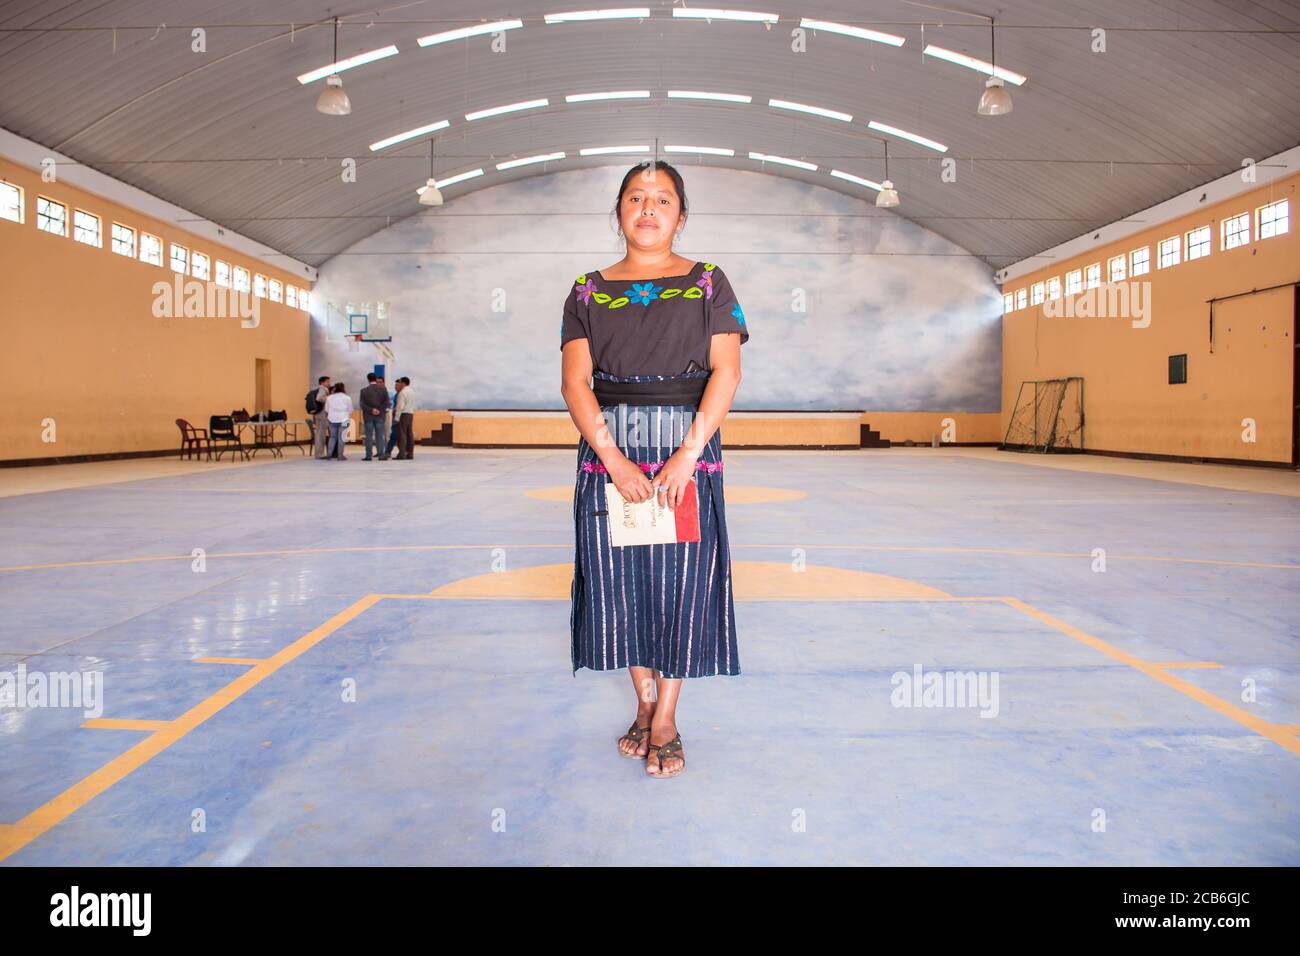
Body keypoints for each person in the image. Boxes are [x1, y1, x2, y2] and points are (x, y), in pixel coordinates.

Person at [559, 160, 749, 779]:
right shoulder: (586, 291)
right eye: (636, 198)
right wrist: (612, 458)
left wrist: (689, 454)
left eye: (662, 199)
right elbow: (576, 382)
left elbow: (727, 372)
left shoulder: (708, 282)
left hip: (687, 453)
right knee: (623, 586)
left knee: (680, 586)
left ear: (681, 215)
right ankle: (642, 704)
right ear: (618, 212)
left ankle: (665, 717)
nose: (648, 208)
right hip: (609, 453)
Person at [359, 372, 390, 461]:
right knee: (379, 436)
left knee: (368, 436)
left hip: (368, 416)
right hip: (380, 416)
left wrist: (371, 410)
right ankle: (380, 455)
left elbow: (362, 404)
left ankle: (368, 456)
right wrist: (379, 410)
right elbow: (387, 403)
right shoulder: (383, 389)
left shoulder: (363, 391)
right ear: (376, 379)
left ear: (368, 380)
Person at [324, 382, 353, 460]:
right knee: (341, 438)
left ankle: (329, 454)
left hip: (332, 419)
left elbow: (326, 409)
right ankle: (340, 455)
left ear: (335, 388)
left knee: (332, 437)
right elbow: (350, 410)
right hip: (344, 419)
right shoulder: (347, 398)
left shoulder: (329, 397)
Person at [394, 376, 416, 460]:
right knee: (409, 434)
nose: (398, 384)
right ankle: (410, 454)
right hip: (410, 414)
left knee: (402, 435)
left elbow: (400, 406)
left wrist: (396, 417)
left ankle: (402, 454)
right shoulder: (412, 392)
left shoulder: (402, 393)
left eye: (399, 382)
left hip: (403, 415)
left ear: (403, 383)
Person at [312, 375, 332, 459]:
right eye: (327, 382)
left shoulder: (321, 389)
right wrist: (330, 399)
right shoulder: (322, 389)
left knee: (321, 434)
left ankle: (319, 453)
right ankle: (319, 454)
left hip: (320, 414)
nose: (329, 383)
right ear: (322, 383)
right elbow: (319, 398)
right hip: (322, 414)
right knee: (320, 435)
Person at [384, 379, 401, 459]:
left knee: (394, 436)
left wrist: (396, 418)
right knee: (394, 436)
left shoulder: (400, 394)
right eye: (395, 385)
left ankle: (388, 452)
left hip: (398, 419)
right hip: (395, 418)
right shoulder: (397, 394)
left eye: (397, 385)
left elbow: (399, 407)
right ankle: (389, 452)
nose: (395, 387)